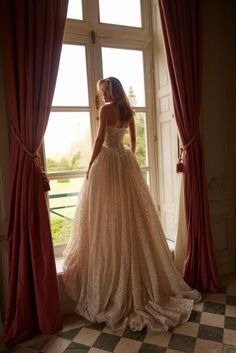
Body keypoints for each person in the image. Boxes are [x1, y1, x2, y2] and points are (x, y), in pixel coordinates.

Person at [63, 77, 201, 332]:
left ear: (114, 89)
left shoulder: (106, 110)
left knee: (108, 215)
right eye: (102, 91)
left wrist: (91, 165)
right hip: (124, 162)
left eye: (106, 89)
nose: (104, 94)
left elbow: (99, 140)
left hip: (107, 161)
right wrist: (128, 156)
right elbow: (134, 143)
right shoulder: (127, 111)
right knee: (126, 214)